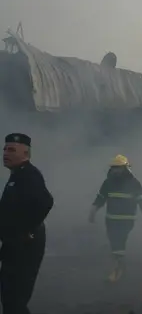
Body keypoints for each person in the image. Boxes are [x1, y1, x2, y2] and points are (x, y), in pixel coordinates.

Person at [0, 133, 54, 314]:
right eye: (5, 149)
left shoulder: (29, 175)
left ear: (26, 154)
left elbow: (45, 202)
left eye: (11, 150)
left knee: (15, 299)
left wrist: (27, 230)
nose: (5, 153)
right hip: (13, 243)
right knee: (9, 295)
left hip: (25, 245)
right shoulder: (17, 174)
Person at [89, 154, 142, 282]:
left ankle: (118, 267)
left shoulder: (134, 183)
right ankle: (119, 264)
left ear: (126, 168)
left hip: (126, 220)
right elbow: (100, 199)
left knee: (119, 241)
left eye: (119, 168)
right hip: (111, 220)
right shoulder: (108, 183)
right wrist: (92, 213)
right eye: (114, 168)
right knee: (115, 241)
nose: (116, 171)